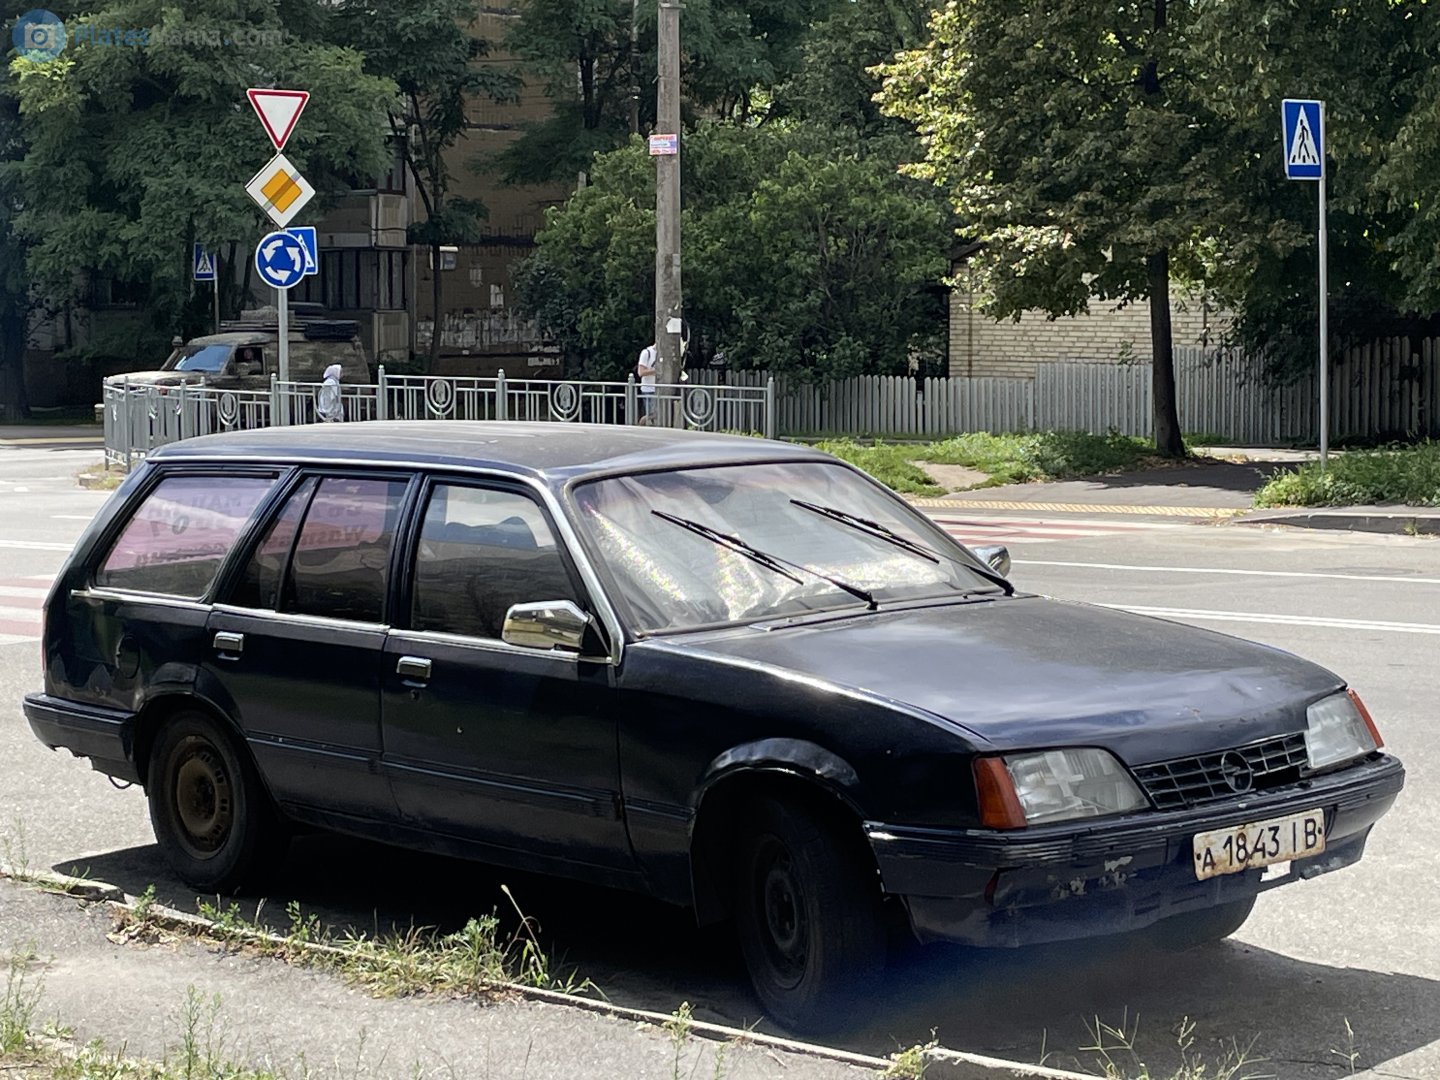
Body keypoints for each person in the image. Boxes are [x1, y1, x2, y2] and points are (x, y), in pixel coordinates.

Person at [636, 343, 658, 423]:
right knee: (652, 414)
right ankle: (642, 422)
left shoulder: (664, 354)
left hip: (659, 388)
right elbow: (641, 372)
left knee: (659, 413)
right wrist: (656, 371)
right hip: (648, 389)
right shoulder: (647, 353)